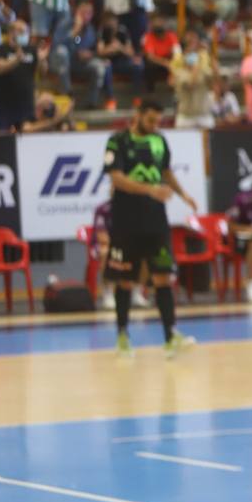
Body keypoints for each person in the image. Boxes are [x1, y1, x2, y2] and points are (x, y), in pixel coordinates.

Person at [104, 100, 199, 357]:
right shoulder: (118, 142)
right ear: (138, 116)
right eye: (151, 120)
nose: (155, 125)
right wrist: (150, 191)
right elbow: (117, 179)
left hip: (156, 220)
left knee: (162, 277)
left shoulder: (160, 141)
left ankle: (170, 337)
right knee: (125, 280)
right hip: (126, 220)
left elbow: (166, 172)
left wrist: (183, 195)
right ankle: (122, 335)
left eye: (158, 121)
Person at [48, 2, 108, 107]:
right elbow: (56, 45)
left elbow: (94, 50)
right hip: (60, 62)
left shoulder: (91, 30)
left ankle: (91, 103)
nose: (86, 16)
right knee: (62, 52)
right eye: (83, 12)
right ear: (77, 13)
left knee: (99, 66)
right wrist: (74, 32)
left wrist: (91, 55)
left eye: (89, 13)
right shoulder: (65, 24)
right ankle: (67, 94)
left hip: (79, 63)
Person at [0, 20, 43, 130]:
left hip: (26, 106)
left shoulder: (31, 50)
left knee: (28, 139)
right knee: (2, 138)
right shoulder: (1, 49)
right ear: (11, 33)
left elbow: (42, 72)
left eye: (25, 32)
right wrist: (16, 59)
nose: (24, 34)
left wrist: (42, 60)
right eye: (20, 31)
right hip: (5, 106)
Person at [170, 25, 216, 128]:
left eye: (194, 39)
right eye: (189, 41)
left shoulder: (204, 59)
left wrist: (211, 58)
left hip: (204, 115)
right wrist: (196, 65)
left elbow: (213, 84)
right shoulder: (178, 64)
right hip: (186, 117)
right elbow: (191, 84)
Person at [96, 12, 144, 104]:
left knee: (138, 65)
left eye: (113, 21)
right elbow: (100, 52)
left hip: (122, 61)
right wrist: (110, 48)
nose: (111, 23)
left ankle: (137, 98)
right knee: (106, 67)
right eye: (108, 21)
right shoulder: (102, 31)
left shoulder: (122, 30)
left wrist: (119, 47)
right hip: (108, 62)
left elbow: (130, 53)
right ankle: (110, 99)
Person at [140, 15, 179, 92]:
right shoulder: (148, 37)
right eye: (156, 23)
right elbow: (150, 57)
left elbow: (177, 54)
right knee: (149, 66)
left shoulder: (171, 36)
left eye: (161, 23)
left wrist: (172, 69)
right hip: (156, 62)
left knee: (178, 64)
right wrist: (165, 63)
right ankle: (150, 91)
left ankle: (174, 90)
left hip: (169, 61)